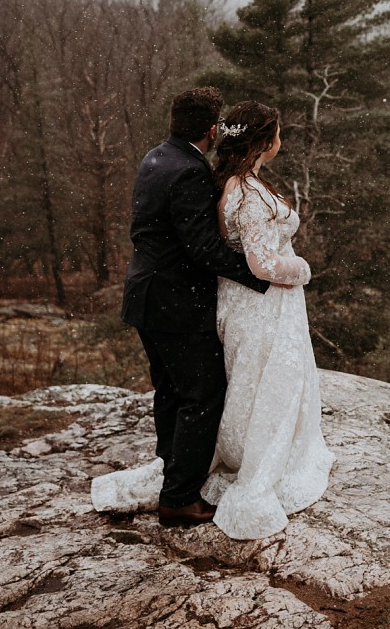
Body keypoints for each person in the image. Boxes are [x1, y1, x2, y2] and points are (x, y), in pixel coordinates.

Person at [92, 87, 273, 527]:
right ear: (212, 129)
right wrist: (261, 275)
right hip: (176, 301)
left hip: (146, 296)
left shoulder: (156, 157)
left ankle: (172, 470)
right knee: (202, 394)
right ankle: (179, 498)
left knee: (171, 391)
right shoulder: (190, 171)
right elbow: (203, 249)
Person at [201, 100, 331, 539]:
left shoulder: (237, 183)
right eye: (277, 133)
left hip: (249, 302)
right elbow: (261, 264)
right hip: (262, 302)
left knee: (252, 380)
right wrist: (303, 270)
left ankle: (248, 446)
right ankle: (256, 460)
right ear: (263, 141)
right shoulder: (249, 194)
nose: (282, 141)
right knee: (266, 379)